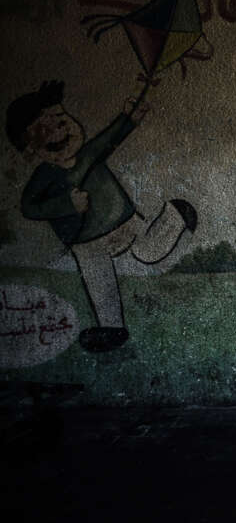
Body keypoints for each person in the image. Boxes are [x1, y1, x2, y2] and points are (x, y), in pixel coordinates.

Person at [8, 80, 197, 353]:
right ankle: (111, 327)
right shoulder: (44, 177)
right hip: (86, 242)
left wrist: (129, 118)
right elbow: (29, 207)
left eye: (62, 120)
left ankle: (176, 218)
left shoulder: (88, 154)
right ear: (30, 147)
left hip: (123, 221)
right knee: (99, 282)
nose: (60, 131)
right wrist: (66, 204)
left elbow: (110, 138)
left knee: (148, 249)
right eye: (45, 130)